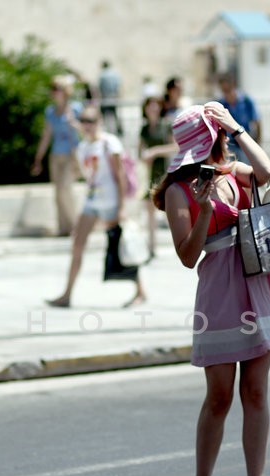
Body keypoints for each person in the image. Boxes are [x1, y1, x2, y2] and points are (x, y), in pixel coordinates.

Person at [152, 101, 270, 476]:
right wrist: (201, 210)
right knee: (218, 397)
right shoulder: (178, 192)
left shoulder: (235, 173)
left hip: (257, 285)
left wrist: (238, 129)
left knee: (255, 392)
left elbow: (267, 172)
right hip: (218, 295)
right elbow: (187, 256)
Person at [47, 105, 146, 308]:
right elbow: (86, 174)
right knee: (77, 244)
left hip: (110, 202)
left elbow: (119, 177)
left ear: (99, 121)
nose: (87, 125)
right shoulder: (83, 147)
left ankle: (140, 290)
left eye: (90, 121)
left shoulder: (109, 143)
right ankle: (67, 294)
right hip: (92, 201)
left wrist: (120, 208)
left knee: (119, 245)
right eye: (83, 121)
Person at [31, 75, 83, 236]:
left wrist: (74, 123)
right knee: (57, 191)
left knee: (65, 189)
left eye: (57, 89)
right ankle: (63, 228)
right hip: (55, 155)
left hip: (71, 154)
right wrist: (38, 158)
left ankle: (75, 226)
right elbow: (46, 135)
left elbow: (86, 130)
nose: (54, 92)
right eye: (52, 88)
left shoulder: (75, 109)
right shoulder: (50, 112)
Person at [139, 95, 177, 258]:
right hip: (150, 175)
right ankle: (151, 246)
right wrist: (145, 157)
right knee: (150, 213)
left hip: (165, 173)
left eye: (155, 106)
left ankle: (180, 242)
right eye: (150, 106)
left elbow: (175, 146)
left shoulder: (166, 125)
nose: (153, 109)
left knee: (171, 212)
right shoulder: (144, 129)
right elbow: (140, 150)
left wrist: (155, 152)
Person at [216, 71, 261, 164]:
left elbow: (257, 121)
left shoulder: (246, 101)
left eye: (228, 90)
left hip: (244, 143)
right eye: (224, 91)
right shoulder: (221, 103)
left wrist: (257, 143)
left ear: (233, 86)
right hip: (229, 145)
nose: (226, 94)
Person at [97, 59, 123, 136]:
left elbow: (100, 87)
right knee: (115, 114)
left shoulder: (102, 75)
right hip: (114, 96)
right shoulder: (115, 74)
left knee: (104, 114)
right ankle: (119, 129)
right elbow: (119, 86)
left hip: (105, 97)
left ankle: (105, 130)